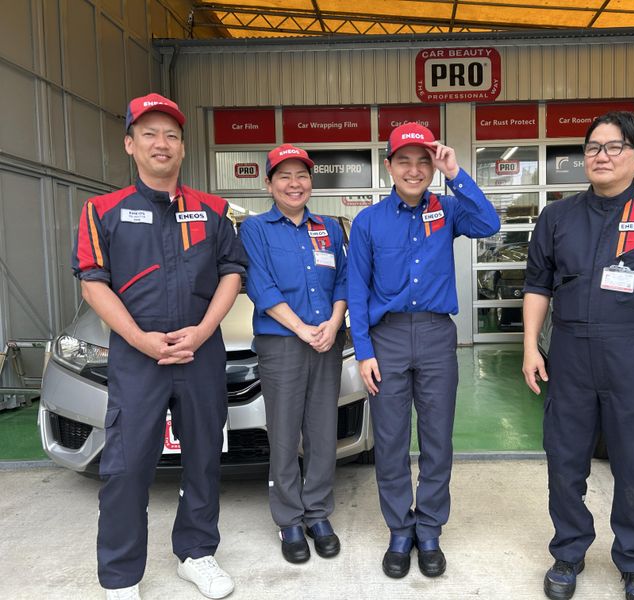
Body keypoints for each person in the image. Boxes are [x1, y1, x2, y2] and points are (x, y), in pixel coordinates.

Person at [521, 111, 634, 600]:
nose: (601, 156)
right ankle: (568, 552)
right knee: (564, 461)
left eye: (614, 147)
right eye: (593, 147)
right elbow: (538, 285)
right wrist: (531, 346)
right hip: (570, 354)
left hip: (632, 354)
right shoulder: (557, 217)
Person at [73, 93, 247, 600]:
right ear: (130, 144)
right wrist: (139, 340)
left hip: (200, 351)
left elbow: (232, 273)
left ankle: (196, 553)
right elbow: (93, 283)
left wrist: (203, 330)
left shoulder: (214, 211)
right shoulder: (102, 211)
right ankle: (121, 576)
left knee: (204, 459)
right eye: (148, 133)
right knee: (126, 466)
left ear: (183, 147)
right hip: (137, 356)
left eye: (171, 134)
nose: (161, 143)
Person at [347, 123, 500, 579]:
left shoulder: (448, 209)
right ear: (388, 166)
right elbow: (357, 289)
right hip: (387, 339)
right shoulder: (369, 221)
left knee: (437, 439)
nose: (413, 170)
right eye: (404, 161)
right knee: (391, 439)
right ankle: (400, 529)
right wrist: (364, 351)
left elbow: (489, 223)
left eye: (423, 162)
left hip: (436, 336)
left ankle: (429, 528)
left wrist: (455, 173)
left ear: (433, 166)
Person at [239, 144, 347, 565]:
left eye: (301, 175)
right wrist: (302, 329)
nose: (294, 183)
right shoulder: (255, 229)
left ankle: (317, 512)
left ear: (311, 182)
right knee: (284, 433)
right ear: (269, 184)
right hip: (283, 342)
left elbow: (345, 280)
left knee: (322, 430)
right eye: (284, 176)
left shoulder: (329, 228)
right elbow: (260, 286)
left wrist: (334, 324)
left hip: (326, 340)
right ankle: (289, 518)